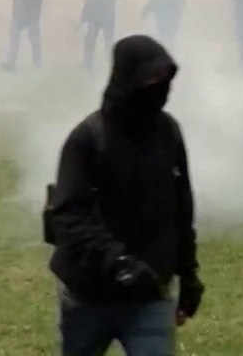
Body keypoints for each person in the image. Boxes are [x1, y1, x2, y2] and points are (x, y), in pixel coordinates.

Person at [47, 35, 203, 356]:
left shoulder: (169, 133)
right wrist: (118, 261)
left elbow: (181, 211)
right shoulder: (87, 139)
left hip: (150, 297)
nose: (159, 87)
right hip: (88, 296)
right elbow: (70, 216)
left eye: (165, 78)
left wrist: (188, 274)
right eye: (150, 79)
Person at [4, 0, 45, 70]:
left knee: (34, 41)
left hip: (31, 15)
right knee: (14, 40)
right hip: (19, 14)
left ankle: (37, 63)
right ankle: (10, 62)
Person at [81, 0, 120, 70]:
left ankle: (111, 63)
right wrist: (85, 13)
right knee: (90, 40)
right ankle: (87, 63)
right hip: (95, 17)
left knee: (108, 42)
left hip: (107, 17)